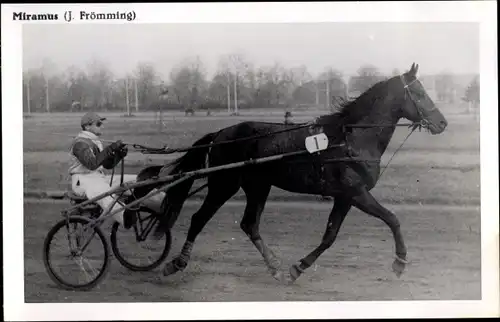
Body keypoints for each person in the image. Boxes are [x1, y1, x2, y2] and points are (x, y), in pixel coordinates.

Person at [68, 112, 137, 229]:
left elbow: (106, 165)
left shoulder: (95, 141)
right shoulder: (80, 143)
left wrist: (118, 155)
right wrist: (109, 149)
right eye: (99, 124)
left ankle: (159, 204)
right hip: (83, 181)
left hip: (98, 178)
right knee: (104, 194)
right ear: (87, 126)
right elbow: (92, 164)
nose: (102, 126)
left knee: (135, 180)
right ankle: (125, 217)